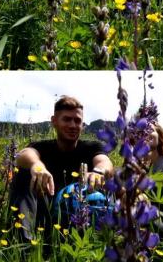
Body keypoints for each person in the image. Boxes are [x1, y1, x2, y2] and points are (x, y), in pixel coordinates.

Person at [9, 96, 114, 239]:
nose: (72, 125)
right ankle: (24, 245)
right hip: (45, 215)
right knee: (23, 175)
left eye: (77, 121)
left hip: (81, 218)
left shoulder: (92, 147)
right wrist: (37, 166)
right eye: (66, 119)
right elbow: (23, 155)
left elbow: (105, 162)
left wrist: (98, 171)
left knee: (116, 182)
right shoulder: (41, 147)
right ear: (54, 121)